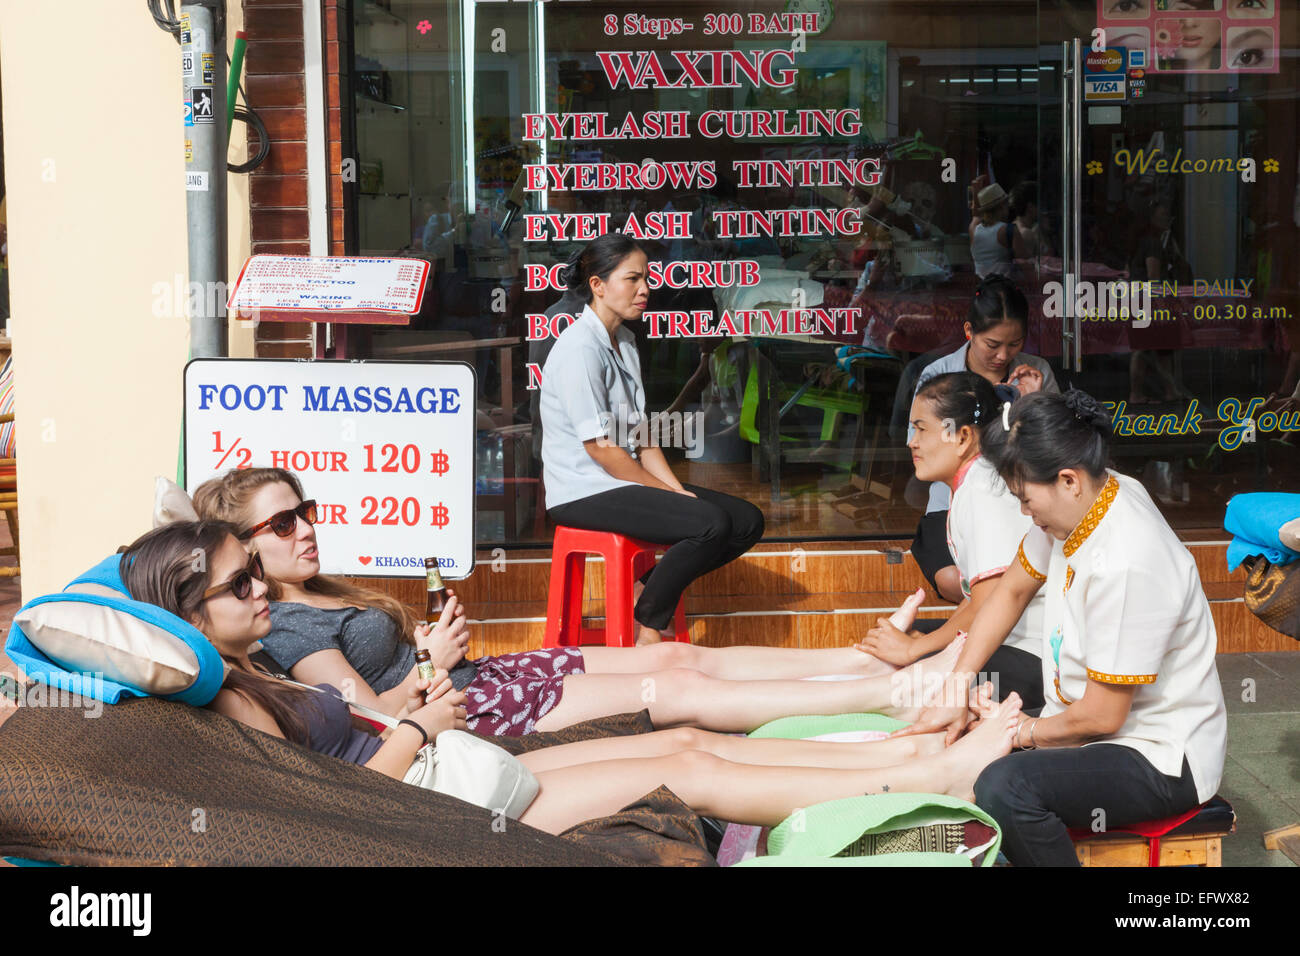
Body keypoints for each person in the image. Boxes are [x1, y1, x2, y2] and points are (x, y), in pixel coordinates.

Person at [119, 520, 1024, 835]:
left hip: (451, 758)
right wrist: (423, 721)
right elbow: (336, 800)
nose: (259, 584)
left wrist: (428, 711)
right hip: (436, 789)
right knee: (687, 759)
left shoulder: (248, 662)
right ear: (191, 613)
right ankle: (926, 770)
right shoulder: (238, 697)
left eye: (254, 567)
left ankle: (904, 732)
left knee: (684, 733)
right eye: (241, 581)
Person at [193, 467, 964, 739]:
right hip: (477, 712)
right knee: (677, 692)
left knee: (670, 654)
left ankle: (856, 657)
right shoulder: (288, 624)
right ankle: (890, 690)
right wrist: (430, 661)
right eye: (283, 523)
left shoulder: (320, 591)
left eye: (308, 511)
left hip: (487, 679)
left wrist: (435, 649)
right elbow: (372, 724)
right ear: (242, 544)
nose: (306, 529)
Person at [897, 390, 1227, 866]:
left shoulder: (1128, 559)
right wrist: (956, 684)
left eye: (1026, 501)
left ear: (1068, 480)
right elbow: (1010, 591)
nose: (1025, 515)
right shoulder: (1082, 502)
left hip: (1159, 754)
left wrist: (1020, 731)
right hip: (1097, 724)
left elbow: (1102, 717)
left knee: (1005, 786)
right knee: (968, 728)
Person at [538, 231, 764, 646]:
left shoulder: (623, 341)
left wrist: (675, 489)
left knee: (747, 521)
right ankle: (649, 623)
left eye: (647, 278)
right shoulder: (578, 349)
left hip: (618, 480)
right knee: (711, 524)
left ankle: (649, 588)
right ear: (598, 285)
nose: (646, 289)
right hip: (582, 489)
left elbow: (642, 437)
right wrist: (668, 494)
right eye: (633, 279)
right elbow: (603, 451)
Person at [859, 372, 1046, 713]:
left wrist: (914, 650)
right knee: (911, 638)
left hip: (1037, 660)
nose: (911, 442)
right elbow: (979, 598)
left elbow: (988, 605)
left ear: (962, 437)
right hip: (1015, 644)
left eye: (921, 428)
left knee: (911, 668)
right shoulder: (974, 482)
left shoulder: (983, 491)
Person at [909, 276, 1058, 604]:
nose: (1003, 355)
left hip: (1020, 503)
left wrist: (1033, 403)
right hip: (950, 505)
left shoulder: (1037, 373)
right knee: (952, 581)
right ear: (968, 332)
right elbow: (925, 445)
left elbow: (1056, 450)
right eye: (992, 344)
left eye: (1015, 344)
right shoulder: (939, 377)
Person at [968, 179, 1015, 280]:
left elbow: (975, 216)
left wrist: (976, 192)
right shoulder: (1008, 229)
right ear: (1002, 207)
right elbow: (1024, 259)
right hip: (1004, 286)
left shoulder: (974, 229)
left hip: (982, 286)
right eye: (1007, 205)